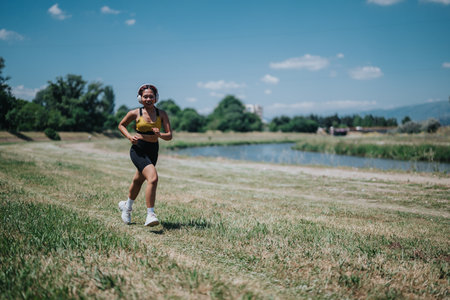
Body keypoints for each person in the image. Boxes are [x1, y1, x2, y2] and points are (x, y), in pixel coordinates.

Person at [118, 84, 172, 226]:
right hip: (138, 150)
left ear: (156, 98)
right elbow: (121, 125)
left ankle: (127, 207)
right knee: (153, 178)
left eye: (151, 96)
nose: (148, 99)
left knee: (138, 180)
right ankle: (150, 214)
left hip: (153, 150)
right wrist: (130, 137)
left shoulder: (162, 114)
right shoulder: (135, 113)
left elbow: (169, 136)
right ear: (140, 98)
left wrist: (160, 134)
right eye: (145, 96)